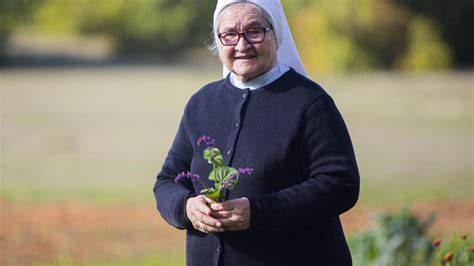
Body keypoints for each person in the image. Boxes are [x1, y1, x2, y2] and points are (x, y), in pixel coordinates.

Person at [153, 0, 360, 265]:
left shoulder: (309, 103)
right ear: (218, 41)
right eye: (229, 34)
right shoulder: (201, 103)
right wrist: (186, 207)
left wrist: (258, 212)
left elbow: (340, 183)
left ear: (275, 35)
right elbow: (168, 181)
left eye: (254, 31)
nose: (241, 45)